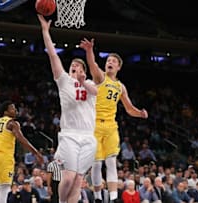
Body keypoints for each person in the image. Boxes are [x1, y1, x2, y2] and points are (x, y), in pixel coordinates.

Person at [38, 15, 98, 203]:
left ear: (84, 71)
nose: (75, 67)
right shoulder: (63, 80)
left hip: (89, 135)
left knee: (79, 180)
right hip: (70, 134)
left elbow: (95, 91)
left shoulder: (89, 83)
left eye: (79, 66)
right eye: (73, 66)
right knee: (69, 176)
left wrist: (83, 81)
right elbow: (53, 54)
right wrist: (45, 31)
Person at [80, 38, 148, 202]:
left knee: (111, 162)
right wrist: (89, 51)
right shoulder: (99, 77)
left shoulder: (120, 86)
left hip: (111, 127)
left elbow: (129, 108)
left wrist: (140, 114)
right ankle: (97, 197)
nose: (109, 62)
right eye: (108, 60)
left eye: (113, 61)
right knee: (96, 164)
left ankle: (113, 197)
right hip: (95, 125)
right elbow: (92, 65)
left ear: (118, 67)